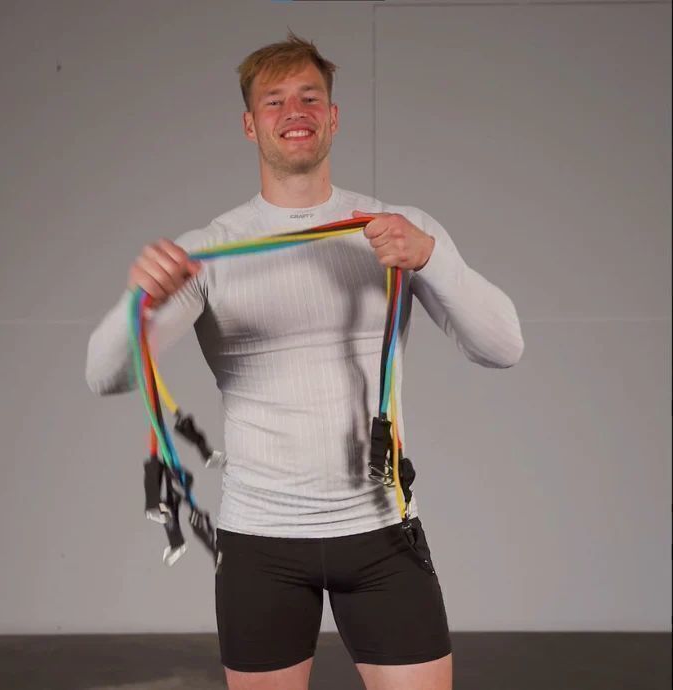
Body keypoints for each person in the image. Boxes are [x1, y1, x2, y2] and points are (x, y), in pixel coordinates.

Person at [86, 30, 524, 690]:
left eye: (310, 96)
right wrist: (137, 299)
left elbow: (503, 347)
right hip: (260, 545)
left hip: (381, 533)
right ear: (250, 125)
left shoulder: (397, 229)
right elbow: (106, 374)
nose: (295, 111)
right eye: (275, 100)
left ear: (334, 117)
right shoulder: (208, 251)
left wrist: (434, 257)